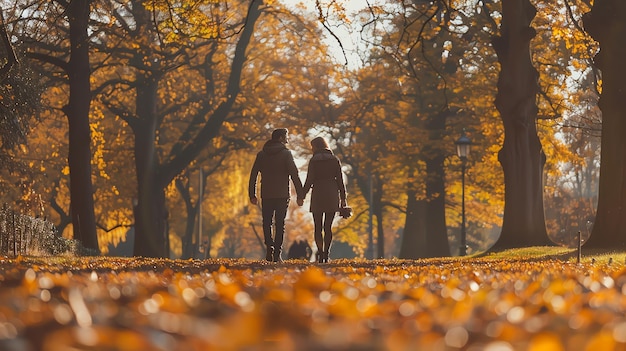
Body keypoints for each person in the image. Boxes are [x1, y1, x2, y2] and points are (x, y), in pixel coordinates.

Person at [249, 128, 304, 262]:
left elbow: (254, 175)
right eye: (286, 136)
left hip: (266, 194)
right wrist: (300, 194)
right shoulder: (286, 154)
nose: (288, 138)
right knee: (280, 224)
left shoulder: (262, 155)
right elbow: (294, 175)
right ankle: (276, 254)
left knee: (266, 222)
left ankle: (269, 248)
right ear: (280, 138)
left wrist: (252, 193)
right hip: (282, 194)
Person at [301, 136, 347, 263]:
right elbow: (340, 182)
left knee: (318, 227)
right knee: (328, 227)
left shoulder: (314, 161)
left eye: (312, 146)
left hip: (318, 194)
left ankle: (320, 253)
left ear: (316, 146)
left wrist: (302, 195)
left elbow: (309, 180)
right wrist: (343, 199)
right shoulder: (335, 160)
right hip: (332, 194)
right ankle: (326, 254)